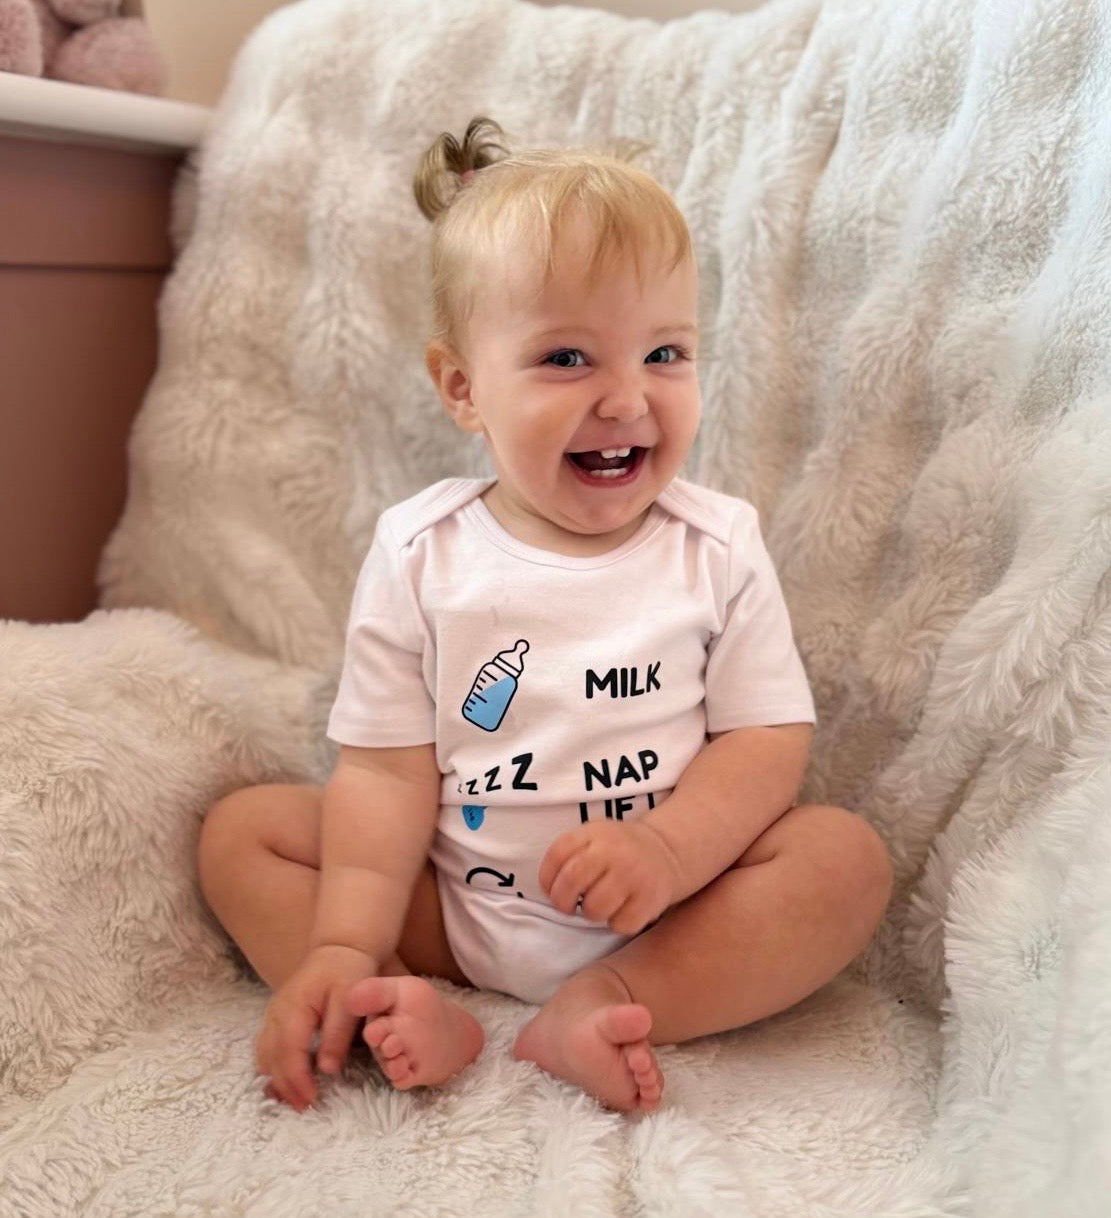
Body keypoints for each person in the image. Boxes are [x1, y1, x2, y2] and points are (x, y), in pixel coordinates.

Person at [196, 117, 894, 1117]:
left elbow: (763, 737)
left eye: (664, 352)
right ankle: (394, 995)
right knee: (246, 835)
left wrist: (665, 851)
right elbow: (386, 771)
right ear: (463, 389)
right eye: (567, 358)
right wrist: (347, 935)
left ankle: (602, 1003)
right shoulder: (420, 550)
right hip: (454, 901)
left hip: (673, 913)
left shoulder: (716, 545)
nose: (625, 398)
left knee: (841, 861)